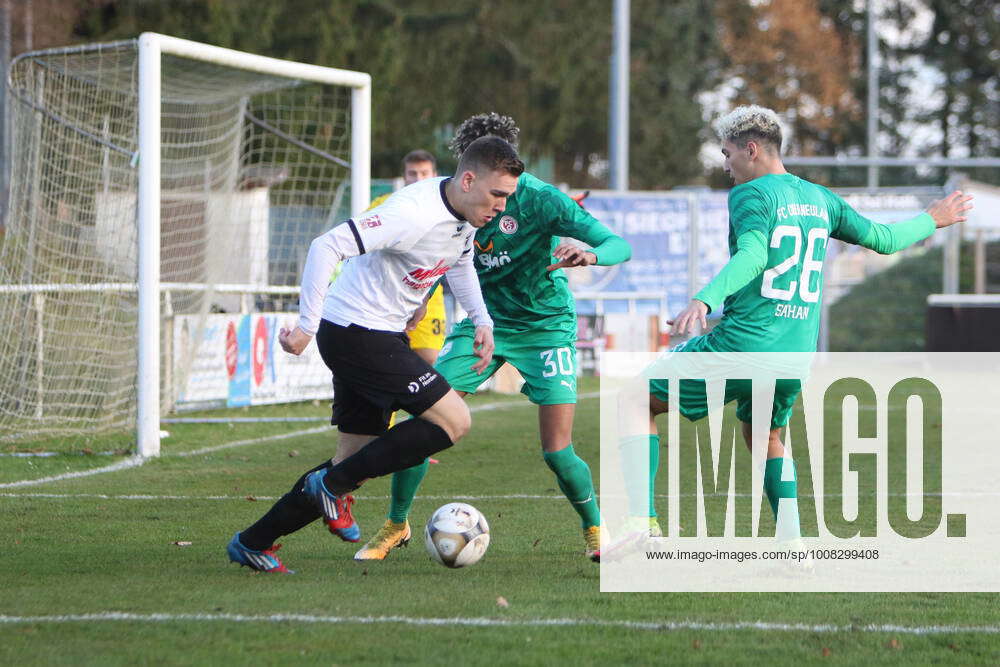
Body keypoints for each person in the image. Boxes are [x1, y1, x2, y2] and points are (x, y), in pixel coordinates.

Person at [602, 104, 973, 561]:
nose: (725, 165)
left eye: (727, 153)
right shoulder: (820, 198)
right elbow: (884, 239)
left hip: (743, 344)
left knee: (634, 399)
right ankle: (793, 545)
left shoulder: (751, 195)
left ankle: (641, 522)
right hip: (794, 355)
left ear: (752, 150)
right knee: (765, 436)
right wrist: (930, 219)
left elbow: (754, 255)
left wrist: (704, 298)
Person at [226, 136, 525, 573]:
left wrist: (482, 319)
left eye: (507, 197)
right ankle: (331, 487)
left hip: (377, 334)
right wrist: (306, 326)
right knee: (453, 421)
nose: (501, 206)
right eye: (498, 194)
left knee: (353, 462)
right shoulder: (412, 213)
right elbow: (325, 246)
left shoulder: (466, 216)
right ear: (467, 179)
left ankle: (254, 541)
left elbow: (459, 261)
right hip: (355, 333)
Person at [351, 113, 632, 563]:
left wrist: (590, 253)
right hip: (484, 323)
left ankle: (596, 529)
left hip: (547, 327)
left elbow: (620, 245)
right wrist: (417, 297)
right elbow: (435, 255)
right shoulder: (451, 198)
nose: (497, 198)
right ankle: (396, 524)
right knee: (424, 422)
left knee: (557, 451)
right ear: (469, 171)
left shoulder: (541, 199)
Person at [367, 150, 448, 367]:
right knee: (384, 361)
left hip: (427, 296)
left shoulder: (446, 208)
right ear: (404, 176)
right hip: (387, 298)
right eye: (412, 173)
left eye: (424, 173)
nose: (418, 179)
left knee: (431, 361)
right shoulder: (384, 204)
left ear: (435, 175)